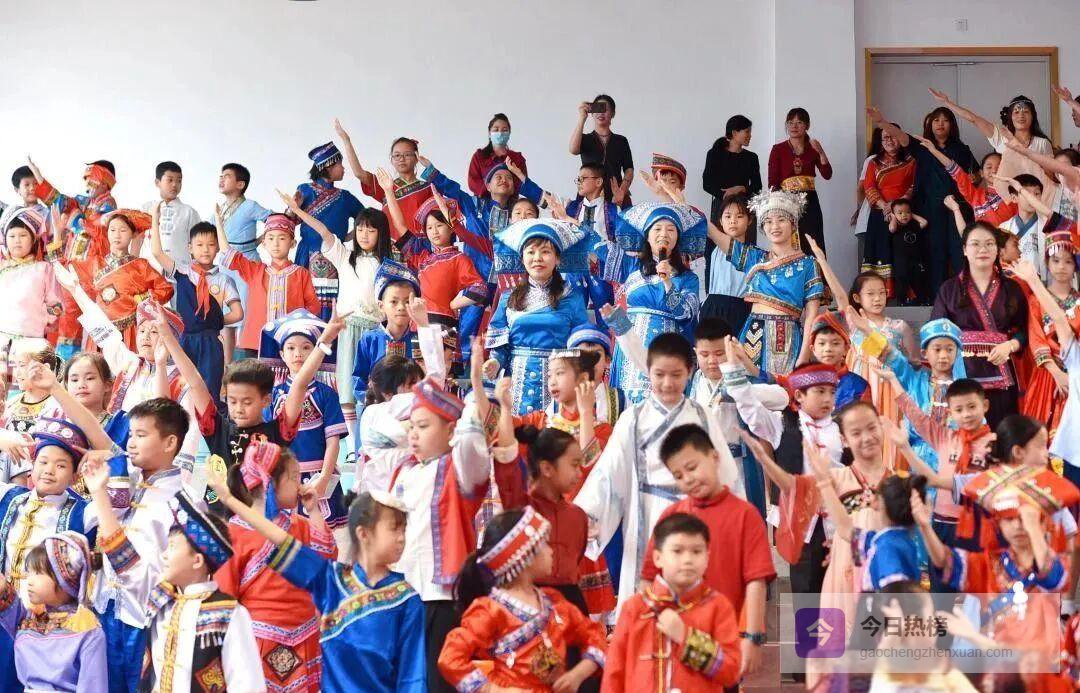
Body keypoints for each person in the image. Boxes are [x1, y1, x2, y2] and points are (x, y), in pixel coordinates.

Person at [210, 466, 426, 693]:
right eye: (394, 529)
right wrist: (230, 501)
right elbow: (281, 540)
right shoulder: (332, 582)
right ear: (364, 533)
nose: (401, 538)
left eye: (404, 530)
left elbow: (413, 676)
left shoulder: (406, 599)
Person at [574, 332, 745, 608]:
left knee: (694, 601)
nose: (667, 383)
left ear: (689, 372)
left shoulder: (702, 416)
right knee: (647, 601)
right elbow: (609, 472)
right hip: (647, 511)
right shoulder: (633, 418)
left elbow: (724, 474)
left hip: (695, 514)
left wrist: (735, 521)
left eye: (676, 375)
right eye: (659, 375)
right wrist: (590, 515)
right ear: (648, 372)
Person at [88, 451, 265, 693]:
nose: (164, 554)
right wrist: (99, 493)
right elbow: (126, 563)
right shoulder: (161, 599)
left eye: (171, 547)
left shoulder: (228, 613)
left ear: (197, 560)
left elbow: (248, 685)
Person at [387, 351, 494, 693]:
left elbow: (473, 448)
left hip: (442, 597)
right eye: (412, 427)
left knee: (439, 682)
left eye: (423, 427)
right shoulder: (404, 471)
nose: (414, 435)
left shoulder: (458, 470)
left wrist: (475, 388)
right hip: (404, 592)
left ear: (451, 430)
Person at [639, 424, 774, 680]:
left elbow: (756, 581)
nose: (688, 479)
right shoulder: (672, 516)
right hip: (675, 638)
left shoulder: (745, 515)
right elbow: (648, 577)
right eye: (678, 475)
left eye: (692, 468)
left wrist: (752, 635)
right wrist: (648, 624)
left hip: (726, 641)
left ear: (715, 457)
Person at [438, 507, 607, 692]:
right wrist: (494, 690)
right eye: (544, 544)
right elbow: (451, 657)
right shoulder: (489, 611)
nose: (551, 551)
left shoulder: (554, 602)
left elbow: (592, 634)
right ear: (524, 555)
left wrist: (578, 674)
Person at [85, 397, 190, 693]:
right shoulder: (123, 481)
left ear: (170, 442)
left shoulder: (183, 503)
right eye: (130, 434)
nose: (131, 443)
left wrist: (100, 496)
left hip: (144, 621)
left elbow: (148, 574)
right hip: (103, 607)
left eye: (141, 435)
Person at [214, 442, 336, 693]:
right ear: (269, 483)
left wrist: (313, 511)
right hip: (257, 641)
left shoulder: (300, 524)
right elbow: (224, 596)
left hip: (305, 636)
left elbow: (327, 557)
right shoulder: (234, 534)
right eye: (293, 477)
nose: (300, 483)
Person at [725, 360, 841, 597]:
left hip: (837, 523)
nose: (827, 399)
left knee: (837, 593)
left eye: (831, 392)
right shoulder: (782, 424)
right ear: (799, 395)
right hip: (801, 524)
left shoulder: (841, 428)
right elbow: (750, 409)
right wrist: (732, 368)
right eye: (820, 392)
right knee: (806, 592)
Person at [603, 512, 742, 691]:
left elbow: (731, 672)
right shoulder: (635, 608)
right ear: (657, 558)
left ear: (707, 557)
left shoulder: (718, 606)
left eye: (696, 551)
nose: (687, 560)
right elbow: (613, 675)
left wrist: (687, 638)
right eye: (677, 551)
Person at [710, 189, 824, 379]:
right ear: (763, 227)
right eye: (768, 221)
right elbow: (714, 234)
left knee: (780, 390)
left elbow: (811, 315)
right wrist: (679, 201)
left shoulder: (808, 264)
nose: (775, 226)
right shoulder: (754, 257)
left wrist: (804, 354)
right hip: (753, 333)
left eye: (781, 220)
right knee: (748, 388)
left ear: (793, 224)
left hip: (786, 335)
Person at [868, 104, 977, 295]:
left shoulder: (962, 149)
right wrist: (882, 122)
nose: (940, 124)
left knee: (959, 251)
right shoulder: (922, 146)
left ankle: (965, 296)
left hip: (956, 207)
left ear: (952, 125)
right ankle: (937, 297)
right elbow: (901, 136)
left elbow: (975, 175)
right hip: (929, 208)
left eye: (945, 120)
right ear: (930, 124)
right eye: (936, 120)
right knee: (934, 252)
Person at [931, 222, 1028, 428]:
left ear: (997, 249)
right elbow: (936, 334)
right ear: (964, 250)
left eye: (989, 244)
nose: (983, 249)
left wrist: (1010, 345)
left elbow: (1024, 330)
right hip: (961, 378)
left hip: (1002, 379)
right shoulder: (949, 289)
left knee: (1001, 437)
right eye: (975, 244)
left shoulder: (1012, 288)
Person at [485, 219, 588, 415]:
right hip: (517, 381)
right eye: (531, 252)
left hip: (557, 380)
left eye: (545, 252)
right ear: (522, 258)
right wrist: (495, 362)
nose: (537, 258)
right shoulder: (509, 297)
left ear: (557, 259)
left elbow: (580, 343)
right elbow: (501, 346)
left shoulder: (572, 297)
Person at [260, 310, 348, 528]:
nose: (298, 353)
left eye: (306, 347)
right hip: (283, 478)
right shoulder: (272, 396)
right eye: (291, 348)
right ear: (281, 354)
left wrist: (324, 478)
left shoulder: (327, 394)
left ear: (317, 352)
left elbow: (333, 442)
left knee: (320, 535)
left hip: (318, 476)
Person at [150, 209, 242, 404]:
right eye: (199, 245)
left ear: (218, 247)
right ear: (190, 248)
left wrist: (213, 321)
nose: (205, 249)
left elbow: (237, 314)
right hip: (184, 339)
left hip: (211, 342)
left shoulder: (223, 279)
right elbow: (157, 252)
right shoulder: (182, 272)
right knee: (181, 387)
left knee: (210, 392)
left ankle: (209, 423)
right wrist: (155, 219)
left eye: (211, 244)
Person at [0, 532, 107, 692]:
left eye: (38, 573)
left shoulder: (87, 631)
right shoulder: (30, 619)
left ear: (63, 579)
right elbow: (10, 608)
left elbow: (93, 687)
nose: (29, 581)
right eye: (29, 572)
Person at [214, 211, 320, 357]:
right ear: (264, 243)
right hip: (255, 344)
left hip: (289, 345)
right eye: (270, 238)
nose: (276, 243)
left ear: (292, 243)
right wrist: (219, 224)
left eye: (282, 238)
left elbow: (313, 308)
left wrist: (297, 333)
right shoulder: (255, 271)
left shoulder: (301, 274)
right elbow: (228, 254)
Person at [72, 210, 174, 353]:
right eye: (112, 230)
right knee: (99, 365)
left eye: (123, 230)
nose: (117, 235)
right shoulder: (95, 263)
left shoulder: (140, 265)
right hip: (102, 331)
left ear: (133, 234)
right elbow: (68, 269)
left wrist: (142, 299)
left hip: (130, 330)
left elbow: (166, 289)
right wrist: (58, 235)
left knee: (129, 365)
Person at [928, 88, 1054, 202]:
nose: (1021, 115)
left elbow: (1051, 176)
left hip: (1036, 200)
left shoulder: (1043, 143)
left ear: (1033, 116)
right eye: (1016, 112)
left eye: (1026, 112)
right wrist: (947, 102)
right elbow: (973, 118)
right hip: (1007, 200)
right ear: (1010, 116)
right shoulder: (1001, 137)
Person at [879, 318, 966, 477]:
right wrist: (866, 332)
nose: (943, 355)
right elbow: (891, 355)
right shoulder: (915, 380)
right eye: (937, 349)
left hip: (956, 459)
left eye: (949, 349)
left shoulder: (966, 389)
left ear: (957, 353)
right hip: (920, 460)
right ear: (925, 353)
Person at [1011, 256, 1080, 452]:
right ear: (1047, 264)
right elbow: (1036, 338)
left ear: (1076, 265)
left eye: (1068, 262)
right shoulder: (1035, 301)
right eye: (1056, 261)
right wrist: (1057, 374)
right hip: (1047, 375)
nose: (1061, 267)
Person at [335, 120, 432, 239]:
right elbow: (359, 173)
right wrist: (346, 140)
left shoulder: (428, 188)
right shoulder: (386, 185)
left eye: (407, 154)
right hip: (390, 247)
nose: (401, 159)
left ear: (416, 158)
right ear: (391, 160)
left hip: (419, 247)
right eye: (397, 155)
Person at [215, 162, 272, 361]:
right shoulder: (220, 209)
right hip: (224, 265)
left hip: (246, 264)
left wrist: (260, 240)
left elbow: (274, 219)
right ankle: (226, 365)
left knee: (247, 312)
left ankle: (247, 363)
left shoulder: (249, 206)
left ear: (240, 184)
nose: (222, 179)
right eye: (221, 176)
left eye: (227, 176)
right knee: (226, 314)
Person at [0, 208, 62, 384]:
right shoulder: (1, 269)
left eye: (23, 235)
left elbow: (56, 305)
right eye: (12, 236)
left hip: (31, 344)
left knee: (27, 389)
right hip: (1, 341)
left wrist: (41, 320)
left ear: (33, 239)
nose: (17, 240)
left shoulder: (43, 268)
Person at [351, 259, 421, 404]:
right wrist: (369, 401)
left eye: (407, 301)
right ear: (381, 305)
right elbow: (359, 377)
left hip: (410, 409)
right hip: (376, 407)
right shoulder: (370, 339)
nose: (401, 307)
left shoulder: (420, 340)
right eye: (394, 302)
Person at [859, 125, 915, 297]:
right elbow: (869, 187)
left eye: (893, 136)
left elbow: (913, 186)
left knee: (903, 254)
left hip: (903, 214)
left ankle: (904, 294)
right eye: (885, 137)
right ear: (881, 141)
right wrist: (885, 206)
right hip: (879, 214)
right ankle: (878, 293)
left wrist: (896, 206)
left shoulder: (911, 161)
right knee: (879, 251)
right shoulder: (873, 162)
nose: (889, 140)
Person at [767, 107, 832, 255]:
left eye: (799, 122)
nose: (794, 126)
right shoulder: (778, 149)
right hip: (786, 201)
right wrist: (778, 207)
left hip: (810, 202)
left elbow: (827, 174)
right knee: (789, 241)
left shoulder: (813, 148)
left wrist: (821, 152)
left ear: (807, 125)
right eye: (790, 123)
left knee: (813, 241)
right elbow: (773, 182)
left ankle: (816, 269)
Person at [0, 340, 61, 483]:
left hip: (40, 479)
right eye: (15, 366)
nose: (17, 372)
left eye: (22, 365)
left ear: (44, 368)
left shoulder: (57, 407)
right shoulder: (10, 404)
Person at [569, 95, 634, 207]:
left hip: (616, 196)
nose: (601, 113)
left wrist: (621, 191)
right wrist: (582, 118)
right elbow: (573, 150)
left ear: (613, 114)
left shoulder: (621, 141)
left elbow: (629, 169)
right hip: (589, 195)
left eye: (605, 109)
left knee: (620, 218)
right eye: (597, 109)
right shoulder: (585, 139)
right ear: (592, 112)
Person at [701, 195, 753, 330]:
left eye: (739, 216)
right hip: (712, 308)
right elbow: (691, 222)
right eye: (728, 216)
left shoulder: (754, 253)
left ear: (749, 220)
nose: (733, 221)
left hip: (741, 311)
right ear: (720, 221)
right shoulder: (711, 247)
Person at [703, 114, 762, 224]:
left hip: (745, 208)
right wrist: (725, 195)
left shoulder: (752, 157)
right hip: (721, 208)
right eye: (747, 132)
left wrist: (741, 189)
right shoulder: (714, 154)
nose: (750, 135)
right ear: (734, 133)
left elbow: (757, 187)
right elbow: (707, 184)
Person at [139, 161, 201, 267]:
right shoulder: (146, 209)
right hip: (150, 269)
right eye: (170, 180)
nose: (174, 185)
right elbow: (137, 239)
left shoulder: (189, 212)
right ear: (157, 182)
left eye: (179, 181)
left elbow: (197, 245)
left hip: (180, 269)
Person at [806, 311, 870, 409]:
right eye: (822, 343)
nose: (828, 349)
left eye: (835, 343)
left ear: (846, 348)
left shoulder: (859, 386)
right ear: (813, 349)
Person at [467, 112, 529, 197]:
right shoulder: (479, 156)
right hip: (484, 203)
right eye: (496, 130)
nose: (500, 133)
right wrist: (494, 192)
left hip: (511, 203)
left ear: (509, 134)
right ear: (489, 133)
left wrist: (504, 192)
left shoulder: (517, 158)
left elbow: (523, 183)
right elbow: (473, 182)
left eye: (504, 130)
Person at [0, 166, 49, 253]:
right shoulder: (11, 214)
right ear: (17, 190)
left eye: (36, 184)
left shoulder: (48, 213)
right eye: (27, 185)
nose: (32, 188)